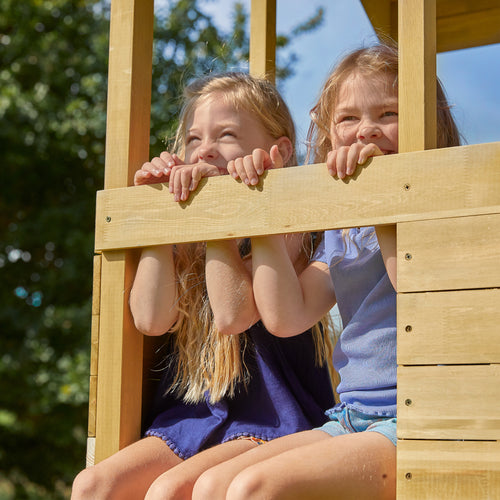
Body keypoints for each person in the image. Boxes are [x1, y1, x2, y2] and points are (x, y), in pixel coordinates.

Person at [190, 43, 461, 500]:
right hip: (351, 416)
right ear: (329, 136)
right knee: (213, 486)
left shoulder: (445, 206)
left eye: (388, 114)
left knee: (252, 489)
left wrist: (383, 196)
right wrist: (266, 210)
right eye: (349, 119)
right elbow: (286, 316)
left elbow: (416, 290)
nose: (367, 131)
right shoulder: (345, 231)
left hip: (417, 418)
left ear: (426, 122)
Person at [71, 72, 334, 500]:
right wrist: (160, 213)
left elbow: (233, 315)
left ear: (280, 152)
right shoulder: (188, 240)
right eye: (193, 139)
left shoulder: (290, 234)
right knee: (93, 485)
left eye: (226, 135)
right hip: (195, 417)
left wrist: (220, 217)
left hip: (272, 417)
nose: (206, 149)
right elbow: (152, 319)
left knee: (170, 493)